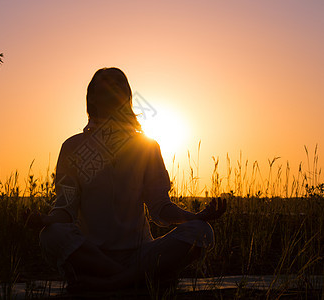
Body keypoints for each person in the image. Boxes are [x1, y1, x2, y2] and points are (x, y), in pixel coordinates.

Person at [37, 67, 226, 292]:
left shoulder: (146, 146)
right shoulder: (73, 147)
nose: (112, 90)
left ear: (127, 97)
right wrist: (44, 220)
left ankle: (113, 282)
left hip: (140, 253)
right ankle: (134, 278)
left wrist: (196, 216)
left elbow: (160, 207)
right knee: (51, 234)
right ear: (92, 98)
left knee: (201, 231)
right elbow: (65, 209)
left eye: (118, 85)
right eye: (104, 86)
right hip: (93, 254)